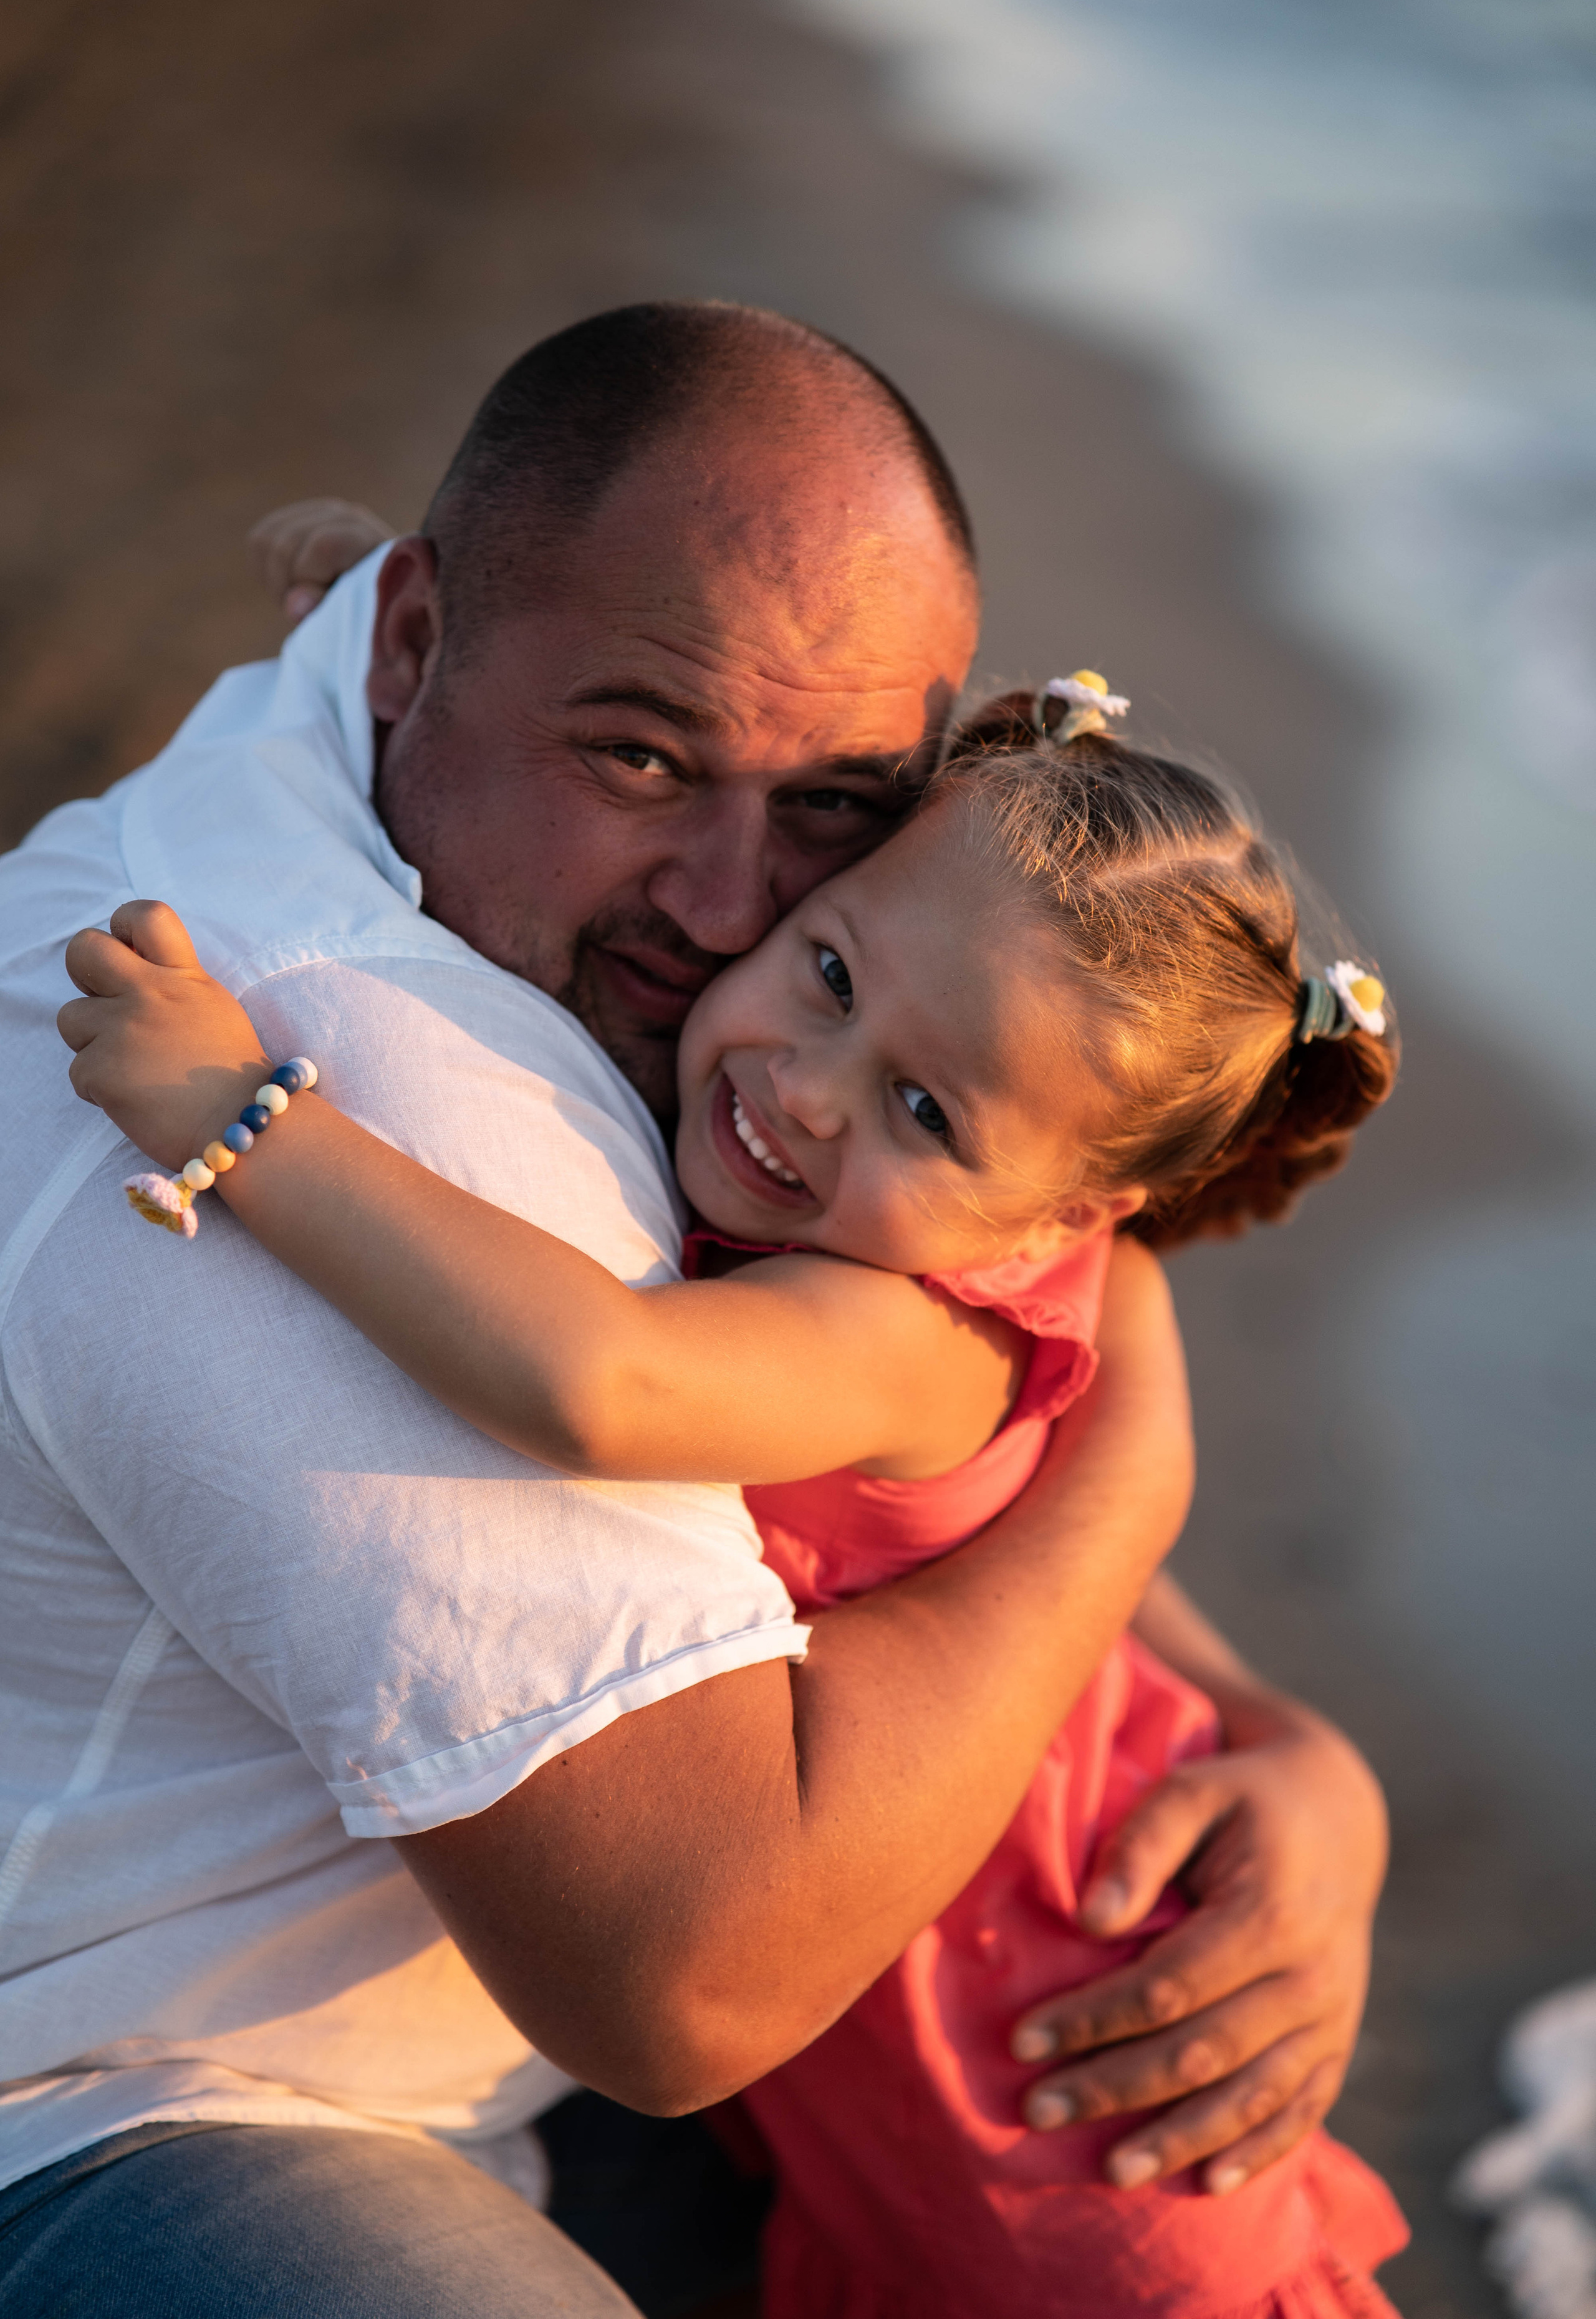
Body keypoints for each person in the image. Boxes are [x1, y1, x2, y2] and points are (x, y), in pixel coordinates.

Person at [0, 304, 1388, 2319]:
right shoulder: (402, 1076)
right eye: (642, 755)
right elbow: (691, 1976)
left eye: (834, 804)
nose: (736, 910)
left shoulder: (509, 858)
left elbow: (839, 1427)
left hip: (1011, 2079)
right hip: (127, 2102)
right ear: (409, 643)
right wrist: (1123, 1460)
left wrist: (1269, 1726)